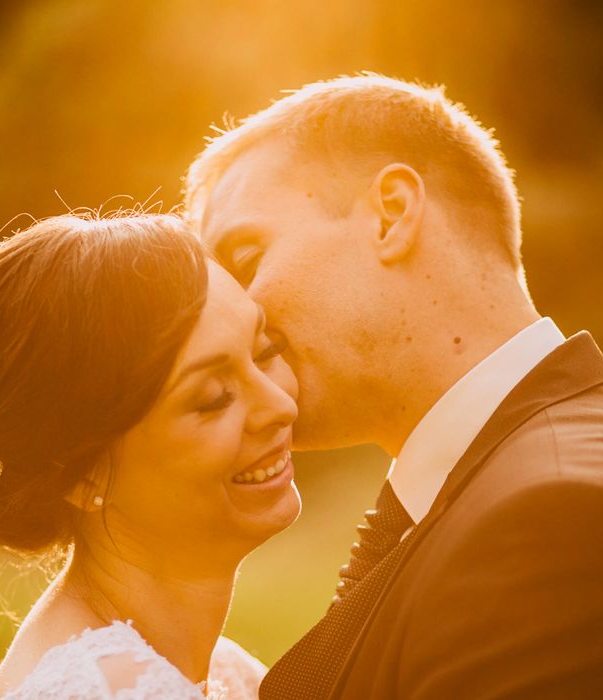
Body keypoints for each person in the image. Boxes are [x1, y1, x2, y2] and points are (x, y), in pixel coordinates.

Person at [185, 74, 603, 699]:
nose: (231, 324)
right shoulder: (489, 493)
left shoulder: (551, 515)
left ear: (392, 215)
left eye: (245, 263)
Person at [0, 212, 301, 699]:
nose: (281, 405)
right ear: (81, 474)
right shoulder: (115, 688)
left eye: (265, 350)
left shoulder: (225, 671)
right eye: (211, 398)